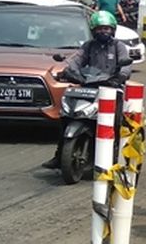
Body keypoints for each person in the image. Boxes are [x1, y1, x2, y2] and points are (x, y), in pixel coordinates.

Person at [41, 11, 131, 170]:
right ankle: (59, 154)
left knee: (115, 124)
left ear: (113, 30)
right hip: (88, 86)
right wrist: (68, 71)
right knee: (66, 116)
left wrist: (120, 76)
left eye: (106, 28)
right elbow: (76, 60)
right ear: (93, 30)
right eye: (99, 28)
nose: (103, 31)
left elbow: (126, 66)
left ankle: (115, 157)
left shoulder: (119, 47)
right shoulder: (88, 46)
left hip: (111, 88)